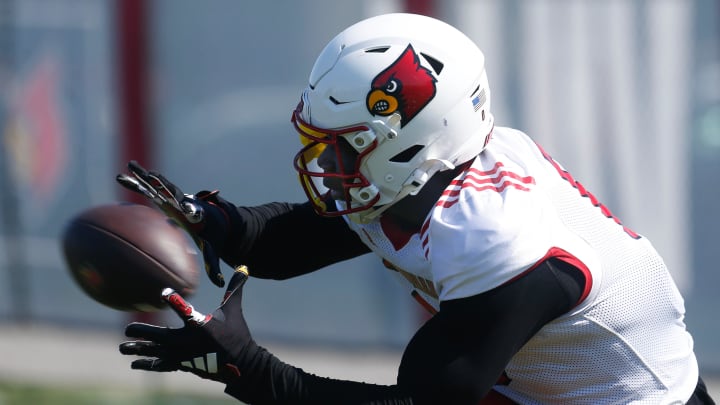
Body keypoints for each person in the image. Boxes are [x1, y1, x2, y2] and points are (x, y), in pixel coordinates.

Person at [116, 13, 715, 405]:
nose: (327, 162)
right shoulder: (419, 178)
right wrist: (212, 222)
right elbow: (293, 240)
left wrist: (248, 371)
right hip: (541, 388)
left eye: (346, 143)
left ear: (417, 139)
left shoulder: (499, 238)